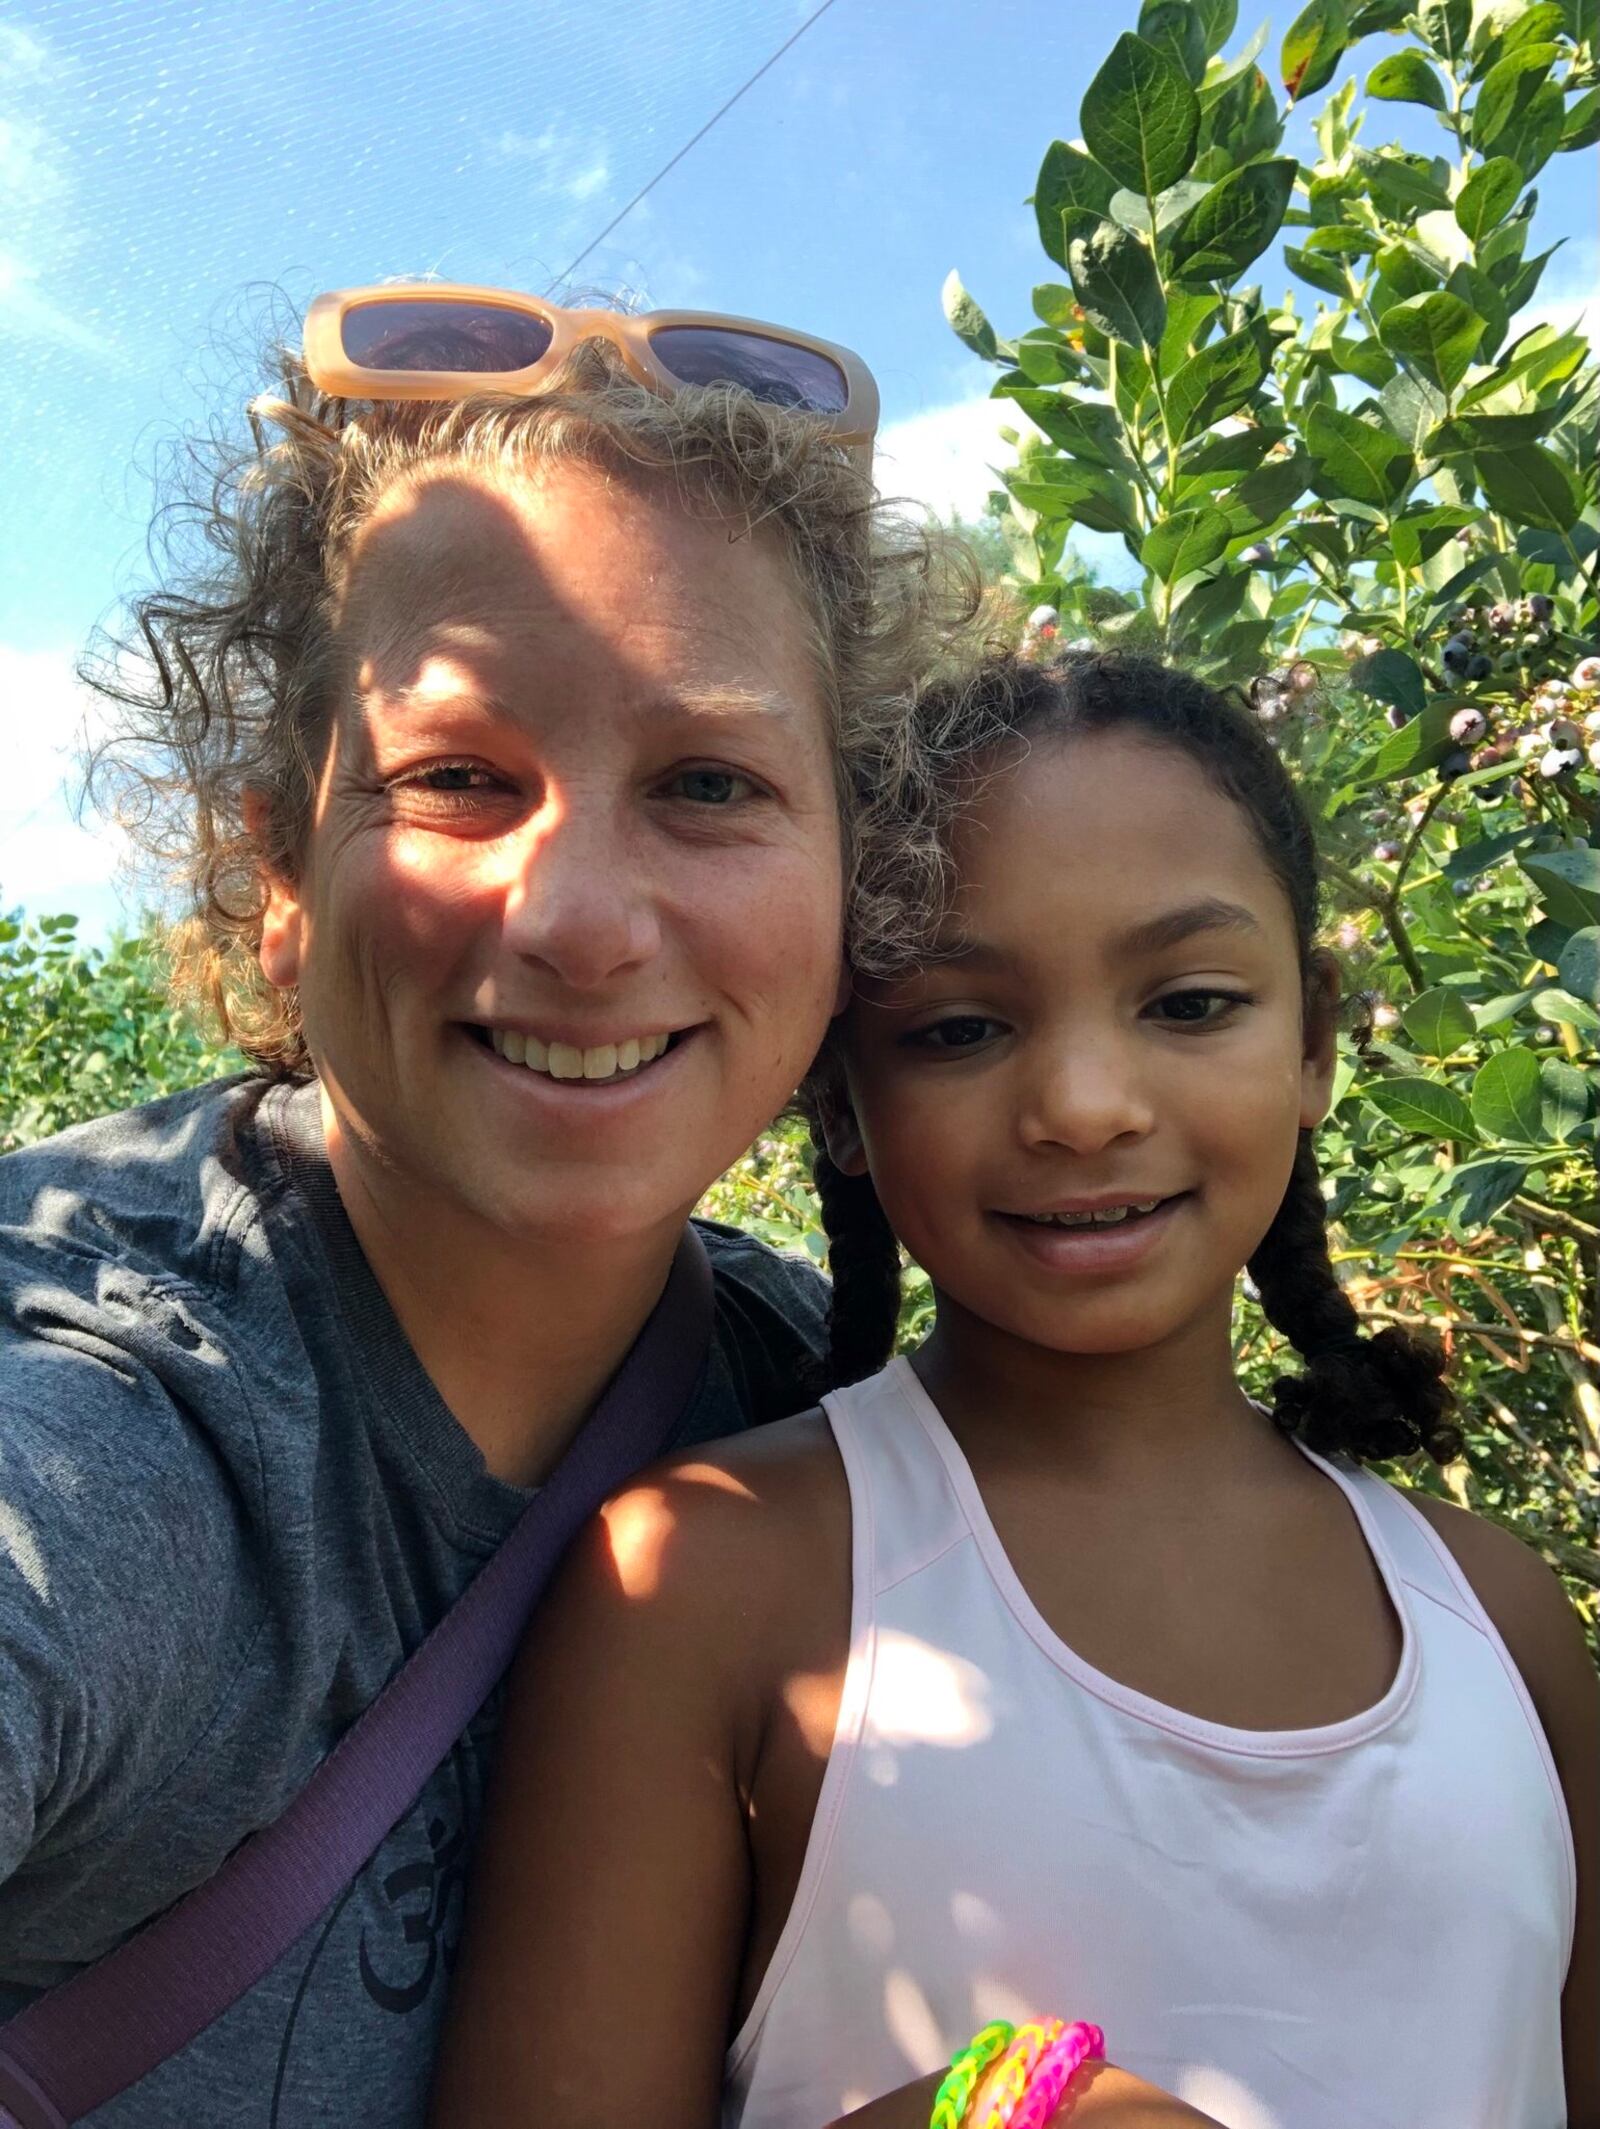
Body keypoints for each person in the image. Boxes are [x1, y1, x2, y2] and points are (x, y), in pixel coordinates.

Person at [0, 289, 977, 2121]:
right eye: (457, 777)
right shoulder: (118, 1436)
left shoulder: (811, 1406)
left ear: (863, 879)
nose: (580, 918)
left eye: (709, 781)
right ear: (276, 870)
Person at [436, 651, 1598, 2129]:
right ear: (842, 1098)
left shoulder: (1499, 1621)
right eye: (961, 1028)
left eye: (1188, 1002)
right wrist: (1002, 2110)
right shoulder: (706, 1586)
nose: (1084, 1106)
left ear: (1311, 1041)